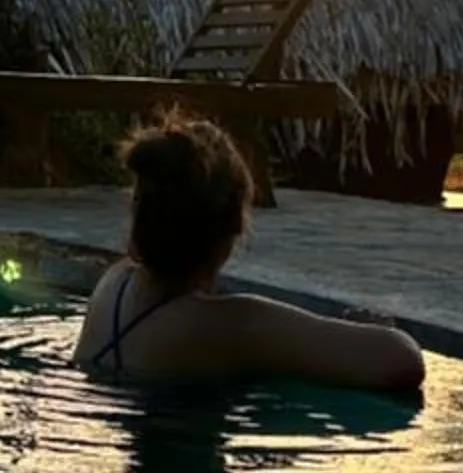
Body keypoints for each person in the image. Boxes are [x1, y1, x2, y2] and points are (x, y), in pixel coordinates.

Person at [73, 116, 425, 395]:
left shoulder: (112, 284)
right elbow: (402, 360)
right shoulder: (235, 325)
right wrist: (367, 331)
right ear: (231, 232)